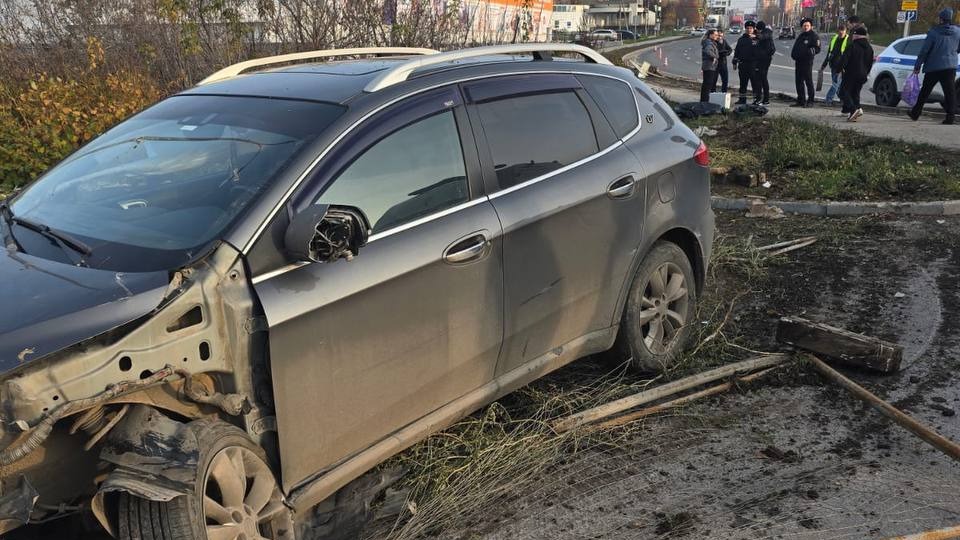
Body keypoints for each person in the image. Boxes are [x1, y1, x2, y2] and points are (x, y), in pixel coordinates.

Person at [908, 8, 960, 125]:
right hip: (950, 67)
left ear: (941, 19)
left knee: (925, 91)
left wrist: (917, 65)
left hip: (934, 67)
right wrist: (952, 53)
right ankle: (950, 117)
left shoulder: (934, 32)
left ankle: (915, 113)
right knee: (950, 93)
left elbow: (924, 51)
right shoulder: (958, 32)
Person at [838, 26, 874, 121]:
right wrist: (866, 73)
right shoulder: (869, 48)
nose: (852, 36)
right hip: (863, 75)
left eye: (853, 35)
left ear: (856, 36)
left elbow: (844, 60)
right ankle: (857, 109)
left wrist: (839, 69)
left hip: (851, 74)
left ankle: (853, 110)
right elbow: (870, 63)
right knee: (855, 93)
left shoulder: (852, 46)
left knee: (843, 92)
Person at [791, 18, 821, 107]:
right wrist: (794, 55)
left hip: (807, 62)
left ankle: (810, 101)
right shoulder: (801, 36)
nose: (806, 27)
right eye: (804, 26)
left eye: (807, 25)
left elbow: (817, 48)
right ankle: (801, 100)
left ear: (811, 26)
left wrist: (809, 52)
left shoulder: (814, 36)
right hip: (798, 62)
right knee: (798, 82)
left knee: (808, 82)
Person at [733, 20, 762, 104]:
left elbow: (762, 52)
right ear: (745, 29)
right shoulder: (741, 39)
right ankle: (742, 100)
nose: (749, 29)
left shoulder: (758, 39)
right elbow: (737, 51)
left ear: (754, 29)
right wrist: (734, 62)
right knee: (743, 83)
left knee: (755, 83)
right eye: (747, 28)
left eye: (751, 28)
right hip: (742, 64)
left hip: (753, 64)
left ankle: (756, 100)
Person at [820, 24, 848, 107]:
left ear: (845, 31)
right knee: (837, 86)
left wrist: (846, 67)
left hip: (842, 67)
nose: (841, 32)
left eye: (842, 30)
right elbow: (829, 53)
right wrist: (823, 65)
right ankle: (843, 100)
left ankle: (828, 100)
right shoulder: (834, 39)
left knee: (835, 84)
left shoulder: (848, 40)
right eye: (839, 30)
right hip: (833, 66)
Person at [756, 21, 776, 104]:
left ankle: (766, 99)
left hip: (765, 60)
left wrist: (756, 35)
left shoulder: (767, 33)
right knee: (759, 79)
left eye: (758, 29)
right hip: (761, 59)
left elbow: (762, 37)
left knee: (763, 78)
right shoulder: (765, 33)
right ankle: (760, 98)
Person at [701, 29, 720, 102]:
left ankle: (704, 100)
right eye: (715, 35)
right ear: (710, 35)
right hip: (709, 65)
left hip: (708, 65)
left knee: (706, 84)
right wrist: (714, 56)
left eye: (717, 35)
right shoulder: (709, 43)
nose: (717, 36)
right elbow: (707, 51)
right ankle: (705, 101)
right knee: (708, 84)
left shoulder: (710, 42)